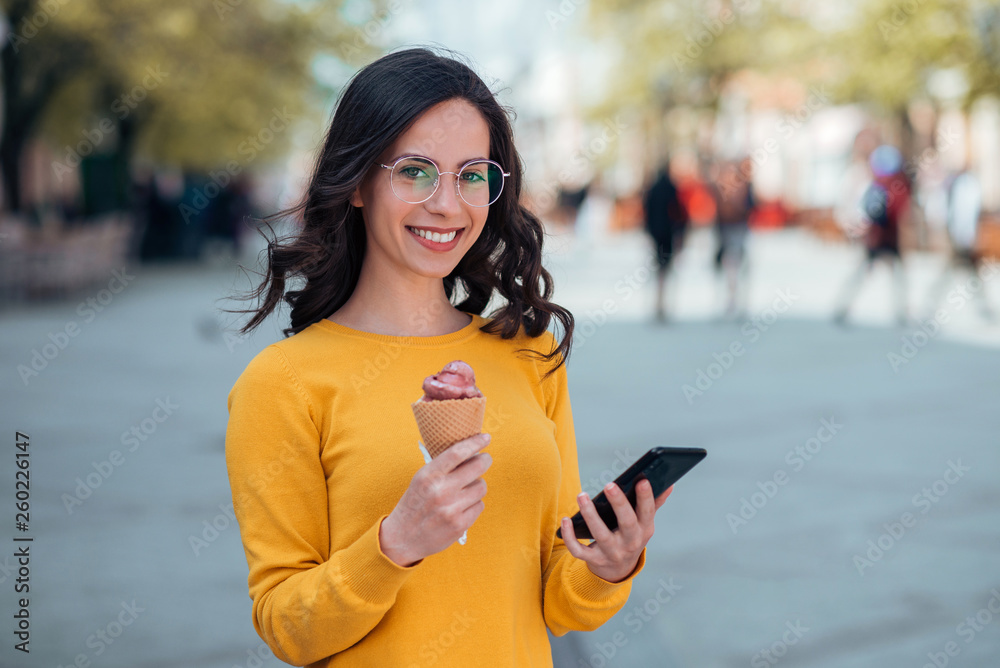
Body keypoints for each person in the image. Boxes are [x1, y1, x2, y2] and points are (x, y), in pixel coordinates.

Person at [224, 48, 674, 667]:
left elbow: (560, 606)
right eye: (415, 171)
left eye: (472, 174)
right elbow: (287, 629)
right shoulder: (284, 383)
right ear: (357, 182)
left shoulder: (528, 350)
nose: (447, 204)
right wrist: (394, 543)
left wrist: (609, 565)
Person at [833, 144, 910, 326]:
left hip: (876, 238)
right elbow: (898, 212)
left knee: (863, 274)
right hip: (888, 238)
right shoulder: (898, 186)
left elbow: (868, 210)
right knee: (895, 276)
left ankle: (843, 307)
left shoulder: (878, 184)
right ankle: (901, 312)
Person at [923, 166, 995, 320]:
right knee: (950, 274)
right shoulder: (954, 186)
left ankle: (984, 309)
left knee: (968, 275)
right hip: (958, 239)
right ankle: (930, 306)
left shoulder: (966, 185)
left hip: (964, 239)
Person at [643, 162, 689, 322]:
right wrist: (681, 232)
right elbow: (680, 212)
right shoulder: (672, 189)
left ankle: (659, 303)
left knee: (659, 269)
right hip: (668, 234)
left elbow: (647, 211)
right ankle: (662, 303)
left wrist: (649, 230)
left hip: (657, 234)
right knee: (665, 268)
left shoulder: (653, 189)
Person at [708, 158, 754, 317]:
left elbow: (750, 207)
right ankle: (730, 300)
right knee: (730, 267)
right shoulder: (723, 189)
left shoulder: (740, 189)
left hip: (735, 231)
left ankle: (733, 300)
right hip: (727, 232)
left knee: (735, 267)